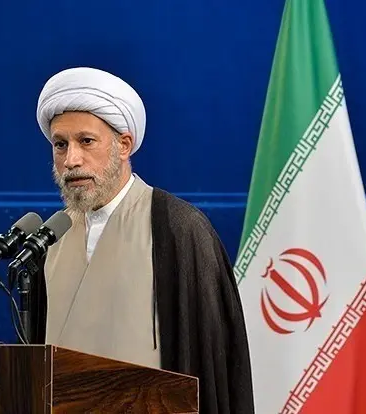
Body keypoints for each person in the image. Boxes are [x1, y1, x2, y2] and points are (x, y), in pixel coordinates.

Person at [31, 66, 255, 414]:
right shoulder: (52, 237)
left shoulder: (177, 228)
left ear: (123, 145)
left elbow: (211, 361)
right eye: (61, 145)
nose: (71, 160)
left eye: (86, 141)